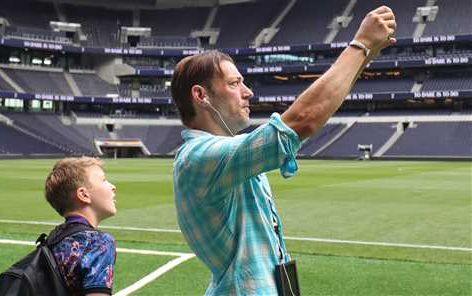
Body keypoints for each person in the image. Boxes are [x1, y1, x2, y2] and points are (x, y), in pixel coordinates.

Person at [171, 6, 396, 295]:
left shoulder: (225, 156)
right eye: (234, 83)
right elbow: (302, 120)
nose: (248, 91)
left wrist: (366, 55)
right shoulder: (198, 157)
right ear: (201, 95)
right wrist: (360, 44)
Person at [44, 157, 117, 296]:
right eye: (104, 180)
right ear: (84, 195)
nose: (113, 186)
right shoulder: (98, 242)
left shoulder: (53, 237)